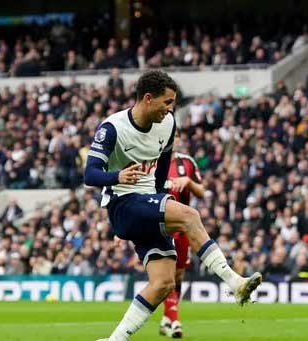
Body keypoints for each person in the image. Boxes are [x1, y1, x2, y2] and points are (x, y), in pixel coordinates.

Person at [84, 70, 261, 340]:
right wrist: (117, 176)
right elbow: (90, 174)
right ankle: (234, 282)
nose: (171, 109)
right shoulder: (112, 128)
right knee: (189, 215)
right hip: (123, 202)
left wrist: (158, 200)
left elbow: (162, 167)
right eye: (167, 102)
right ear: (147, 98)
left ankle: (113, 340)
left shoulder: (168, 125)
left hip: (145, 205)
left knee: (163, 283)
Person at [159, 131, 206, 338]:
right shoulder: (153, 162)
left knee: (178, 275)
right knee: (167, 275)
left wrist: (188, 181)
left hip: (183, 227)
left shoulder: (187, 163)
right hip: (160, 226)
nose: (173, 139)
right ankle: (175, 321)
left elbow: (202, 192)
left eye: (176, 136)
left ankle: (166, 318)